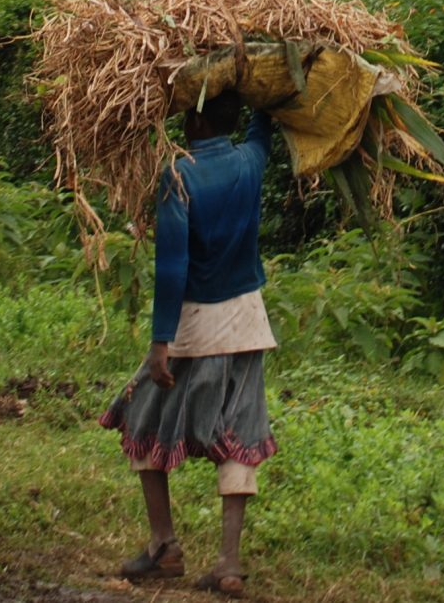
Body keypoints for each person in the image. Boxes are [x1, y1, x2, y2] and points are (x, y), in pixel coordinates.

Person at [101, 93, 279, 595]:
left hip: (196, 327)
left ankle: (164, 546)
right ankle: (228, 564)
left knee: (139, 418)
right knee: (240, 438)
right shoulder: (251, 161)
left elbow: (173, 264)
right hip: (247, 321)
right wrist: (264, 92)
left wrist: (161, 341)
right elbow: (264, 125)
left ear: (196, 119)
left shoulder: (178, 175)